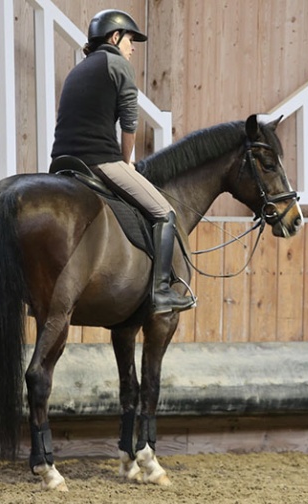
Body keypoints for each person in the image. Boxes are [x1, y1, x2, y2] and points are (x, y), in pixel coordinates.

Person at [51, 9, 195, 314]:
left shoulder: (78, 70)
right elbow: (130, 123)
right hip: (99, 161)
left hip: (63, 161)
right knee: (165, 213)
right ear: (114, 37)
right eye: (130, 40)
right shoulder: (119, 65)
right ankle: (161, 292)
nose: (132, 48)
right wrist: (127, 161)